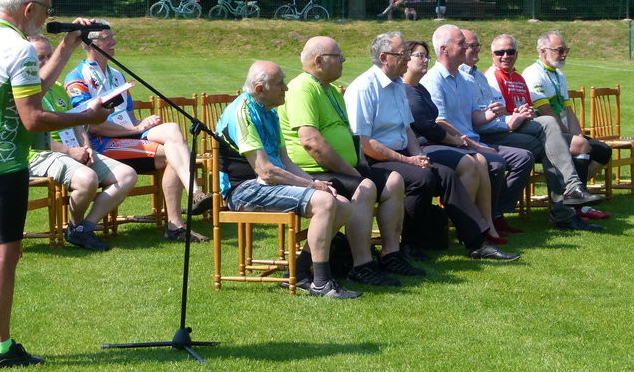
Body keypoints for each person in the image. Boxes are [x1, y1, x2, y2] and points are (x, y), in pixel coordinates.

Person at [0, 0, 111, 368]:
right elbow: (34, 118)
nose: (46, 15)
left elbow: (30, 86)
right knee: (5, 254)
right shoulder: (20, 48)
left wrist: (66, 47)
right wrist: (84, 114)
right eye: (46, 8)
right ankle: (0, 348)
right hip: (4, 162)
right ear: (30, 9)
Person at [344, 31, 520, 262]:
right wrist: (408, 160)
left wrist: (418, 155)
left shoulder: (397, 85)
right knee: (423, 179)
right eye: (403, 54)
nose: (407, 60)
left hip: (402, 153)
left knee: (447, 176)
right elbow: (364, 142)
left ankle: (477, 242)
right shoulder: (365, 87)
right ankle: (408, 244)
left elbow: (407, 128)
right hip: (376, 159)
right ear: (384, 57)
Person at [278, 36, 424, 289]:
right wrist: (351, 171)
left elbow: (348, 135)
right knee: (364, 187)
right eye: (338, 56)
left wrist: (359, 163)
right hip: (312, 172)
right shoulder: (303, 88)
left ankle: (391, 254)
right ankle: (362, 265)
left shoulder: (331, 90)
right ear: (319, 60)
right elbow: (311, 141)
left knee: (393, 180)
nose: (344, 60)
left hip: (340, 168)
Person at [216, 61, 362, 299]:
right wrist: (312, 185)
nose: (286, 88)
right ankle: (321, 283)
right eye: (280, 83)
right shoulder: (242, 112)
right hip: (243, 190)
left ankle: (300, 271)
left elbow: (286, 162)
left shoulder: (270, 112)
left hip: (267, 184)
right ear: (260, 89)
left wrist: (317, 184)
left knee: (343, 206)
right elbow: (265, 171)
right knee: (324, 202)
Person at [64, 22, 212, 242]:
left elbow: (130, 117)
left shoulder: (117, 75)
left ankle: (192, 198)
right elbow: (92, 124)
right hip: (102, 143)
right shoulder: (77, 78)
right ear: (91, 44)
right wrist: (135, 128)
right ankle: (176, 225)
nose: (113, 42)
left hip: (128, 135)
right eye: (107, 38)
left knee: (171, 131)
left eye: (113, 36)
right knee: (172, 155)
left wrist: (144, 123)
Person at [460, 31, 607, 231]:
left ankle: (567, 204)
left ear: (517, 54)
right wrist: (513, 117)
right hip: (499, 132)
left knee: (550, 134)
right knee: (552, 143)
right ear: (493, 55)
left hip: (514, 127)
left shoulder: (509, 78)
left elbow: (511, 110)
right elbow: (484, 116)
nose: (505, 56)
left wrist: (522, 114)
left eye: (510, 51)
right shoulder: (490, 76)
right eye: (500, 52)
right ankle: (565, 206)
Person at [27, 35, 138, 251]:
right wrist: (70, 151)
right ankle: (76, 226)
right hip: (40, 153)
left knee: (127, 175)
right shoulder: (25, 92)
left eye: (50, 56)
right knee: (87, 178)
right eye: (40, 58)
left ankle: (83, 228)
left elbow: (79, 121)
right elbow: (35, 137)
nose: (47, 62)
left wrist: (86, 146)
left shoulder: (58, 87)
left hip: (74, 149)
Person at [422, 25, 534, 237]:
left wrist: (493, 113)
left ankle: (494, 214)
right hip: (452, 144)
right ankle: (482, 222)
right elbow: (440, 122)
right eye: (462, 44)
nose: (467, 48)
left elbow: (474, 118)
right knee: (497, 162)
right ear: (445, 49)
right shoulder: (433, 80)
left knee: (523, 157)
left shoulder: (464, 80)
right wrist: (475, 145)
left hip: (473, 141)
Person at [401, 39, 504, 244]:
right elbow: (429, 128)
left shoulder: (420, 89)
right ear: (405, 59)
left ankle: (485, 225)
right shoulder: (404, 89)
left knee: (481, 161)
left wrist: (463, 142)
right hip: (421, 147)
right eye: (419, 56)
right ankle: (463, 225)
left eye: (426, 56)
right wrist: (458, 141)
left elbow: (436, 122)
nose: (425, 60)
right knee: (469, 162)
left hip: (435, 143)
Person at [521, 31, 613, 200]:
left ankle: (572, 195)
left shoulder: (559, 75)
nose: (564, 54)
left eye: (565, 50)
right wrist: (573, 138)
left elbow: (568, 110)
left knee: (603, 151)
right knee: (581, 147)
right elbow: (546, 111)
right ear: (542, 51)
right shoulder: (533, 73)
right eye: (559, 50)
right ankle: (575, 199)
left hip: (563, 131)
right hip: (546, 135)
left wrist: (577, 135)